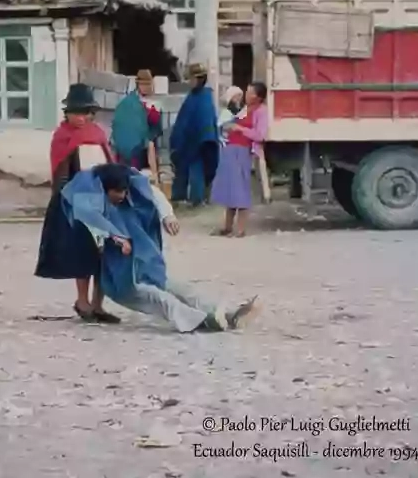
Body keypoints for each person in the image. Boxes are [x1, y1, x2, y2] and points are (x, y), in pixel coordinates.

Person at [62, 163, 258, 333]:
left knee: (179, 288)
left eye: (124, 191)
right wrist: (114, 239)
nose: (122, 196)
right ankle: (200, 320)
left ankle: (224, 314)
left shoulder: (125, 202)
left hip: (142, 269)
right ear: (104, 191)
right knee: (160, 299)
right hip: (123, 281)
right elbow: (93, 243)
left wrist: (167, 215)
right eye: (117, 192)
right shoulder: (89, 212)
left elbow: (153, 193)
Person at [35, 83, 120, 324]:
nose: (82, 117)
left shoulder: (98, 134)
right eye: (77, 112)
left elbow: (108, 164)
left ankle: (98, 304)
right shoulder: (62, 137)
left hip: (101, 199)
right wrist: (65, 199)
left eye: (87, 112)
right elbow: (61, 172)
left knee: (104, 253)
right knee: (82, 253)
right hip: (77, 200)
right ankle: (82, 301)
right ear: (68, 112)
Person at [210, 81, 270, 238]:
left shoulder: (261, 112)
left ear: (258, 97)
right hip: (230, 149)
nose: (247, 95)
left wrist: (240, 129)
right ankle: (227, 227)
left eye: (251, 93)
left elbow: (260, 135)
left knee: (241, 189)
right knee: (230, 188)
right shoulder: (244, 108)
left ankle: (240, 229)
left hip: (243, 152)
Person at [169, 63, 220, 207]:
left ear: (199, 79)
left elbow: (205, 121)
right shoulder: (192, 96)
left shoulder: (204, 97)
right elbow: (184, 120)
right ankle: (179, 197)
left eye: (192, 79)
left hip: (200, 143)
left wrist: (205, 139)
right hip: (187, 142)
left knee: (197, 170)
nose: (190, 82)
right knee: (182, 169)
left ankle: (197, 199)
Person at [110, 69, 163, 180]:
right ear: (138, 84)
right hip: (133, 150)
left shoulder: (153, 103)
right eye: (144, 84)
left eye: (148, 84)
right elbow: (121, 125)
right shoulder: (128, 104)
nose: (146, 87)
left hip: (147, 148)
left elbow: (155, 130)